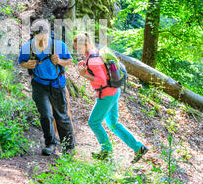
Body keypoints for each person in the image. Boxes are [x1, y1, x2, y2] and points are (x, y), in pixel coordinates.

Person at [73, 32, 148, 163]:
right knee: (113, 123)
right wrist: (85, 66)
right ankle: (138, 148)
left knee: (94, 122)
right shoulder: (94, 54)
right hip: (114, 91)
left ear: (85, 45)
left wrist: (84, 75)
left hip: (107, 95)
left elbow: (101, 80)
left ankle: (106, 151)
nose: (77, 50)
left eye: (78, 48)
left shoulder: (93, 60)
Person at [18, 20, 75, 156]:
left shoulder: (59, 46)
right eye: (39, 38)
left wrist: (60, 61)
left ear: (49, 33)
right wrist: (28, 65)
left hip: (57, 83)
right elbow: (21, 62)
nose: (42, 41)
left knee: (61, 115)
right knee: (45, 115)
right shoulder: (27, 47)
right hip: (39, 84)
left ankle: (68, 147)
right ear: (34, 35)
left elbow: (69, 60)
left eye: (44, 37)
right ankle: (50, 144)